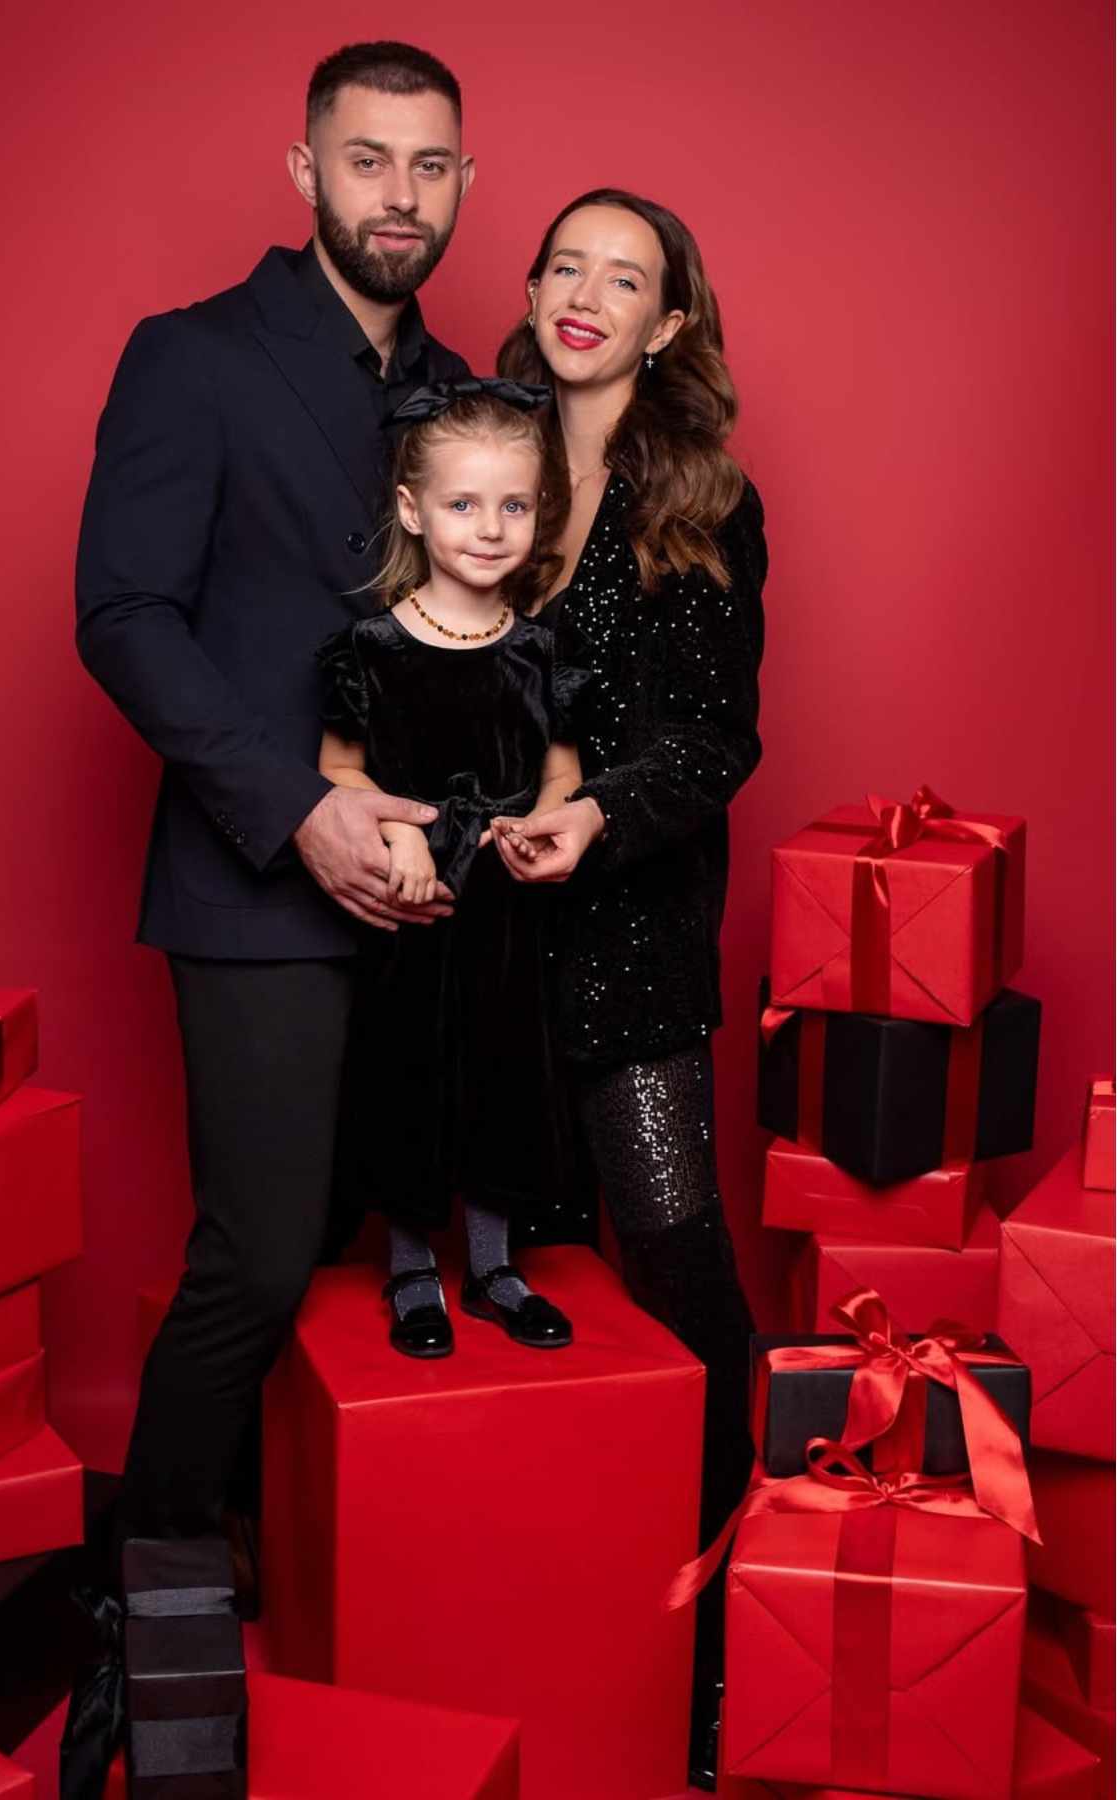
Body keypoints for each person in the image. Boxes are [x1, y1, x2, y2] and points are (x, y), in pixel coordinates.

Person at [65, 37, 473, 1786]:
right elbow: (125, 614)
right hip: (255, 882)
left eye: (432, 165)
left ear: (463, 182)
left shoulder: (470, 389)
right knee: (250, 1256)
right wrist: (300, 810)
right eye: (368, 161)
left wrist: (453, 827)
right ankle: (145, 1621)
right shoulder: (193, 358)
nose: (401, 194)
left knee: (369, 1254)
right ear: (304, 174)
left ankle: (303, 1588)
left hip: (432, 890)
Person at [494, 188, 767, 1787]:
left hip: (627, 943)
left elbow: (720, 741)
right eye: (566, 265)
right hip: (472, 947)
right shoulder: (465, 447)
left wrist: (593, 815)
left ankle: (727, 1645)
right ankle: (551, 1630)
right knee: (514, 1285)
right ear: (529, 289)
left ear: (668, 326)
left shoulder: (709, 502)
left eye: (628, 278)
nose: (587, 295)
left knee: (677, 1277)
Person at [317, 379, 588, 1356]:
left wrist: (541, 827)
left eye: (513, 505)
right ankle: (411, 1273)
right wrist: (395, 841)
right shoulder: (373, 649)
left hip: (506, 918)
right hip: (411, 911)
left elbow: (562, 774)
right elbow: (338, 767)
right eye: (464, 504)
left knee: (503, 1085)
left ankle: (496, 1267)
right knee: (409, 1083)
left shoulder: (541, 653)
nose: (489, 527)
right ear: (412, 509)